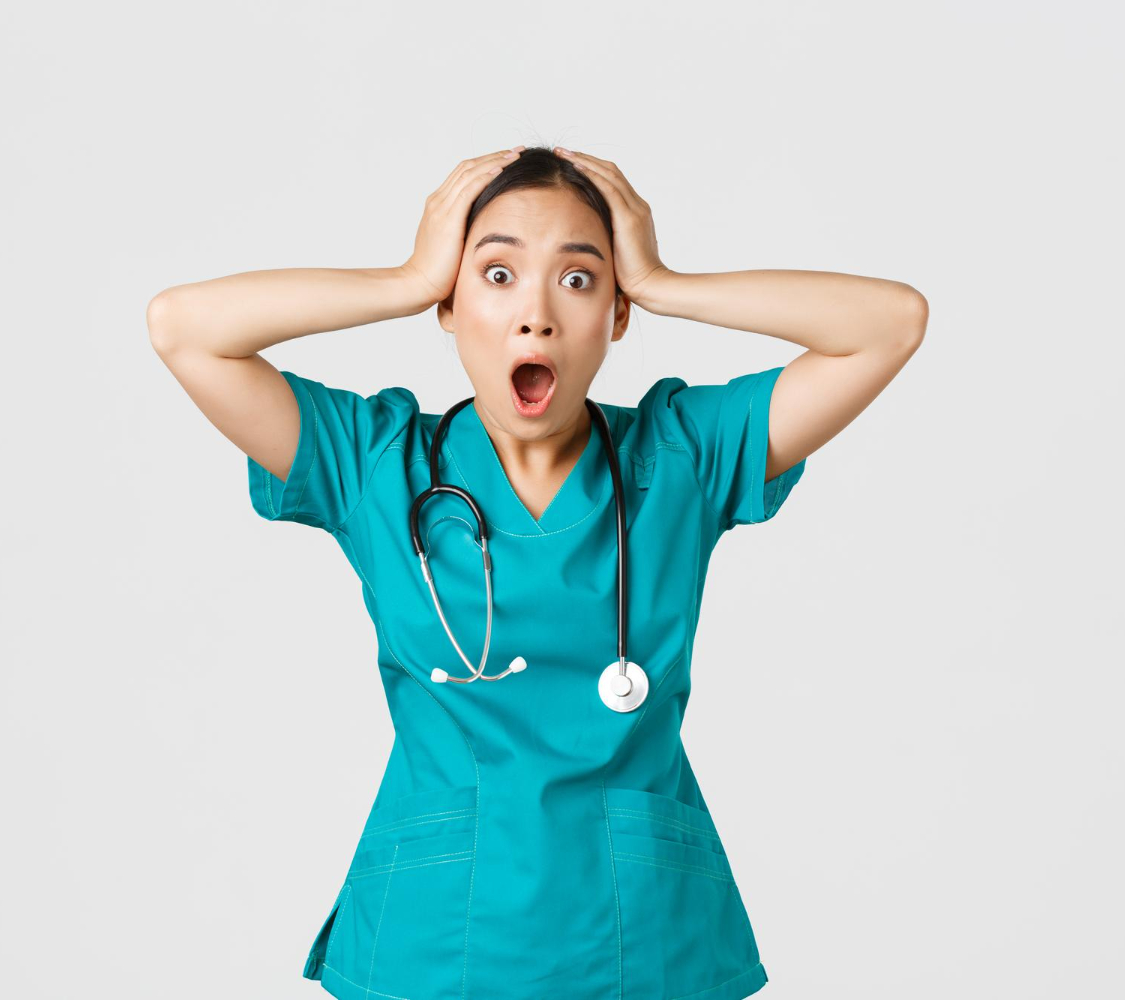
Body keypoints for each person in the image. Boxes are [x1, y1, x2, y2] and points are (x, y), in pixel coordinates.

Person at [147, 144, 927, 1000]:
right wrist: (405, 279)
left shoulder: (683, 457)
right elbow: (184, 329)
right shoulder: (376, 465)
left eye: (580, 280)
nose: (538, 315)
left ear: (616, 316)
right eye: (497, 275)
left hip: (642, 940)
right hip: (432, 941)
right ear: (452, 304)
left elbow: (890, 324)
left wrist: (665, 282)